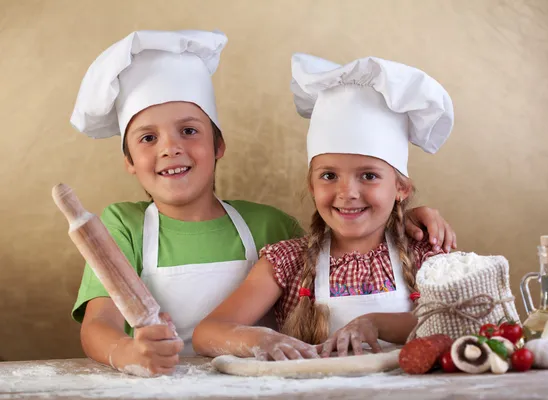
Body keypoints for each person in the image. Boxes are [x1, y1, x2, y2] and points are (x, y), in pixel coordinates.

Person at [69, 31, 455, 376]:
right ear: (129, 160)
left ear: (218, 146)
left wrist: (404, 222)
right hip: (158, 381)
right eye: (147, 138)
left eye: (189, 131)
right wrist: (126, 352)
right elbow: (99, 322)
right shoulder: (122, 224)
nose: (171, 148)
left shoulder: (270, 225)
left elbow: (342, 244)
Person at [193, 53, 455, 361]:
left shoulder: (426, 256)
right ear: (312, 186)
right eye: (329, 176)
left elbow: (460, 326)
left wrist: (376, 324)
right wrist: (262, 340)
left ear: (400, 188)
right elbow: (208, 332)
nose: (347, 193)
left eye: (368, 175)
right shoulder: (288, 263)